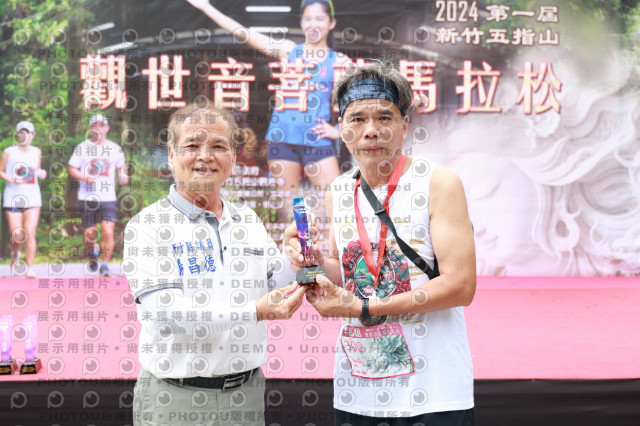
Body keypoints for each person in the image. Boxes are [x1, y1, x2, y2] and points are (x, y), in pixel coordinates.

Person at [286, 61, 477, 425]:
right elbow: (344, 273)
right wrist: (309, 262)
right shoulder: (338, 191)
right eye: (357, 119)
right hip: (359, 387)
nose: (371, 130)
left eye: (384, 118)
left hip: (433, 390)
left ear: (404, 125)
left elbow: (461, 286)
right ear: (342, 127)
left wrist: (364, 308)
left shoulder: (438, 183)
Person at [122, 102, 308, 426]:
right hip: (174, 399)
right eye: (192, 145)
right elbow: (168, 316)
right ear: (172, 155)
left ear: (233, 158)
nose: (205, 156)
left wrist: (293, 258)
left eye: (219, 146)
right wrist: (254, 311)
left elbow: (274, 285)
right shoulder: (148, 225)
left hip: (246, 395)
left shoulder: (247, 219)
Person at [184, 0, 343, 202]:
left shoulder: (339, 61)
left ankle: (322, 226)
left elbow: (357, 107)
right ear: (301, 22)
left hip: (318, 141)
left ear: (331, 23)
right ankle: (302, 226)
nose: (313, 24)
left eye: (319, 18)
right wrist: (207, 7)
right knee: (292, 204)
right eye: (308, 18)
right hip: (282, 140)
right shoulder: (289, 50)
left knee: (336, 201)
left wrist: (338, 131)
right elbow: (243, 33)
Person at [68, 114, 128, 277]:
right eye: (95, 125)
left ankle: (105, 264)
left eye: (102, 125)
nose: (99, 128)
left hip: (108, 198)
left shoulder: (115, 148)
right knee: (90, 233)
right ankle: (92, 253)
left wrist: (123, 176)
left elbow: (122, 167)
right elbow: (72, 168)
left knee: (108, 230)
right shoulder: (82, 147)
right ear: (90, 128)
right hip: (87, 197)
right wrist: (84, 177)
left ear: (107, 128)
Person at [0, 121, 46, 278]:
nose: (25, 135)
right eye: (22, 132)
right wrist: (12, 179)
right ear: (18, 134)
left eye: (28, 132)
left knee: (30, 234)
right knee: (18, 235)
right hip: (12, 198)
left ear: (33, 135)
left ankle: (29, 267)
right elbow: (0, 171)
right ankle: (15, 254)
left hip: (33, 198)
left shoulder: (36, 152)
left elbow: (37, 169)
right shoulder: (9, 152)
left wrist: (41, 173)